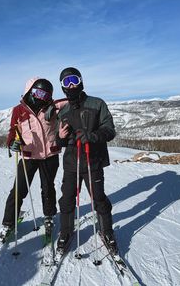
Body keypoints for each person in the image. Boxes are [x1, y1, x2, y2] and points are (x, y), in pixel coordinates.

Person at [56, 67, 118, 253]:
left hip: (93, 161)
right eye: (67, 82)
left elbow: (109, 130)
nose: (71, 85)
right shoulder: (64, 111)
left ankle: (106, 231)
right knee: (67, 200)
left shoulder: (97, 104)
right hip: (71, 164)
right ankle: (66, 231)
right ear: (63, 87)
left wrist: (92, 136)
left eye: (74, 80)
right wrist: (60, 137)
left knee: (98, 199)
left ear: (81, 81)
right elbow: (62, 140)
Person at [0, 77, 66, 243]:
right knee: (19, 189)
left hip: (50, 155)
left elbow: (71, 99)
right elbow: (13, 132)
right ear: (29, 90)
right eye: (38, 92)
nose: (41, 97)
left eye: (46, 94)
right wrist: (12, 143)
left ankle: (49, 216)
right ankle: (8, 222)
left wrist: (53, 106)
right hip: (28, 156)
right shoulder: (19, 110)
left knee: (48, 188)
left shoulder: (53, 107)